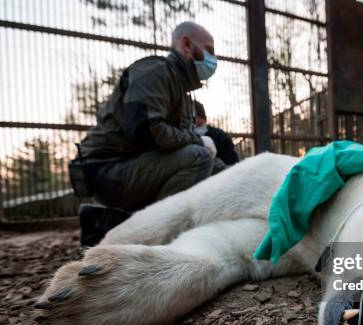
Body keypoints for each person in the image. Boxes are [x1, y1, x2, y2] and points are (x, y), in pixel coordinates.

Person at [69, 22, 220, 246]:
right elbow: (147, 132)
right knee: (198, 157)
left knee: (203, 162)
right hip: (107, 170)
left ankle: (111, 225)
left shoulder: (181, 90)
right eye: (209, 49)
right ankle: (150, 236)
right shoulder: (154, 72)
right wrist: (199, 140)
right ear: (187, 44)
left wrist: (240, 175)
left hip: (133, 168)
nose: (213, 58)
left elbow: (181, 147)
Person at [194, 101, 239, 165]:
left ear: (204, 118)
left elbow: (232, 163)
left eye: (194, 117)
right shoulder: (183, 137)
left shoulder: (220, 137)